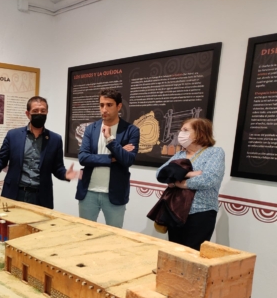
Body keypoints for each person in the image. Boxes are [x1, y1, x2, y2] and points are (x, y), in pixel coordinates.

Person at [0, 96, 78, 209]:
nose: (39, 113)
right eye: (35, 111)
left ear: (47, 112)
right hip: (15, 193)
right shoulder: (13, 135)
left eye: (42, 111)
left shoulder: (55, 139)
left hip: (41, 196)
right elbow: (1, 159)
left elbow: (57, 167)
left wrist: (65, 174)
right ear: (28, 114)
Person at [156, 117, 225, 250]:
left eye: (186, 130)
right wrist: (190, 173)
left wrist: (177, 182)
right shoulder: (180, 154)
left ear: (200, 133)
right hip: (175, 209)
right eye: (181, 130)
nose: (181, 133)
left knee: (193, 254)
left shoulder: (215, 153)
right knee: (174, 251)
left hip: (201, 212)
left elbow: (209, 179)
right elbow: (160, 173)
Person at [75, 89, 139, 228]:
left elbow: (128, 160)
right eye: (101, 105)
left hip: (115, 194)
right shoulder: (91, 129)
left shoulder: (131, 130)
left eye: (109, 105)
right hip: (89, 192)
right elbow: (83, 157)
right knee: (85, 233)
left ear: (119, 106)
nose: (104, 109)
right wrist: (112, 158)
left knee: (114, 236)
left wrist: (110, 139)